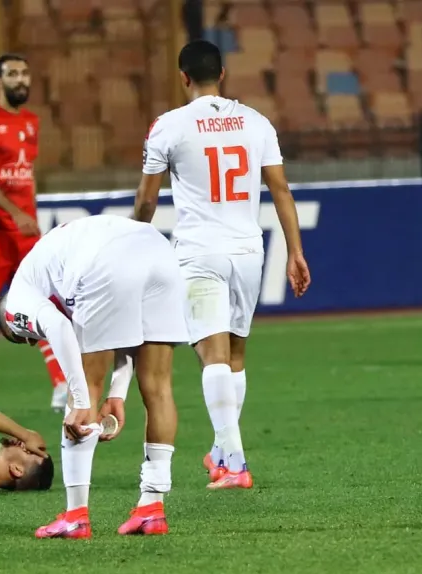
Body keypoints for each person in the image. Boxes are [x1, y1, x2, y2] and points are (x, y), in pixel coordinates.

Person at [135, 40, 312, 490]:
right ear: (224, 74)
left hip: (199, 252)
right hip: (249, 252)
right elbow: (281, 190)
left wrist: (135, 240)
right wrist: (295, 250)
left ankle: (234, 463)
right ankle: (221, 449)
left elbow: (148, 198)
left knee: (211, 355)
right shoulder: (257, 122)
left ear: (183, 78)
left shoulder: (169, 126)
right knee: (234, 355)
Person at [0, 214, 190, 539]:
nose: (33, 340)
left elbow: (57, 328)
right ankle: (151, 508)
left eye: (27, 337)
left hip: (105, 262)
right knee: (158, 387)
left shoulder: (16, 301)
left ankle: (75, 517)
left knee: (84, 389)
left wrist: (82, 398)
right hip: (159, 250)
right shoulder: (51, 267)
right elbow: (129, 335)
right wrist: (118, 394)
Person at [0, 53, 68, 412]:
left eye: (24, 73)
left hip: (24, 230)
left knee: (43, 301)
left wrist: (29, 214)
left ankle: (59, 384)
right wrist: (14, 212)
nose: (20, 80)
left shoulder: (31, 122)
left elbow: (26, 175)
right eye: (12, 74)